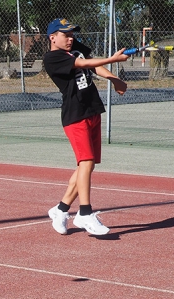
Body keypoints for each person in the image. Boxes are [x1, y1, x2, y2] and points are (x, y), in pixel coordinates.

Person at [43, 18, 128, 236]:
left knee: (86, 166)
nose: (70, 39)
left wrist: (114, 78)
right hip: (75, 115)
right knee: (86, 162)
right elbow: (83, 65)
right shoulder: (52, 58)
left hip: (92, 110)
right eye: (65, 35)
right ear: (53, 37)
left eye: (72, 35)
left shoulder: (76, 47)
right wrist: (113, 59)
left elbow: (92, 64)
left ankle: (61, 209)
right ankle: (84, 213)